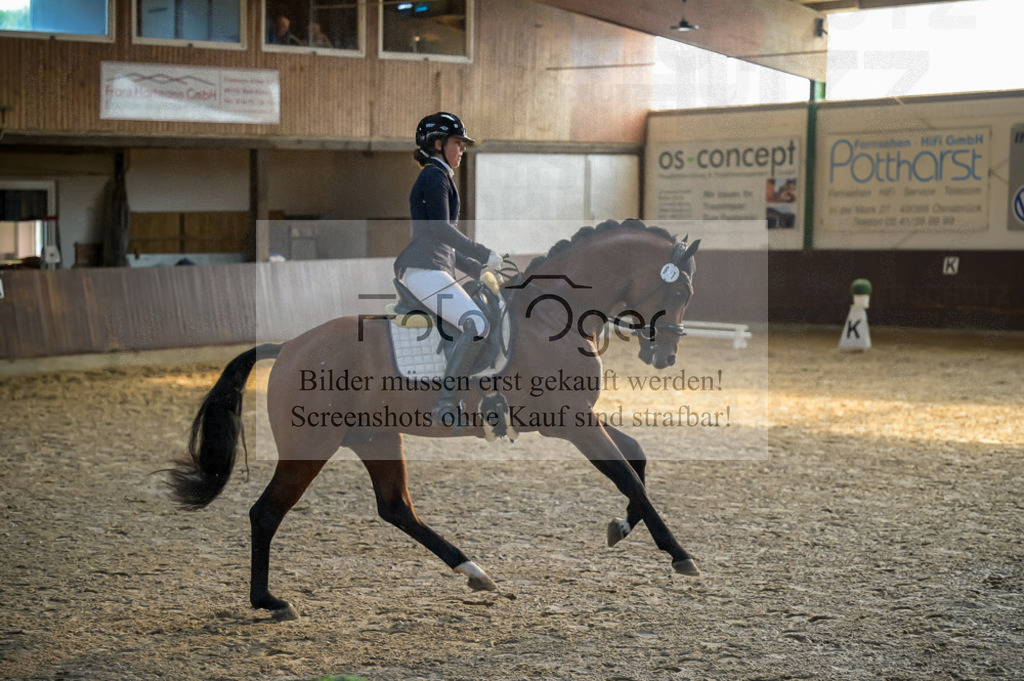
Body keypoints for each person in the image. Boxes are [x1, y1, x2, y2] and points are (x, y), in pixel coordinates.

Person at [393, 112, 503, 428]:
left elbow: (444, 246)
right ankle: (445, 404)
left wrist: (479, 267)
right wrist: (485, 253)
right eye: (457, 143)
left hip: (432, 265)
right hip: (422, 269)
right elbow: (441, 230)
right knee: (476, 323)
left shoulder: (440, 176)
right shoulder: (433, 177)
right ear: (438, 144)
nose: (462, 149)